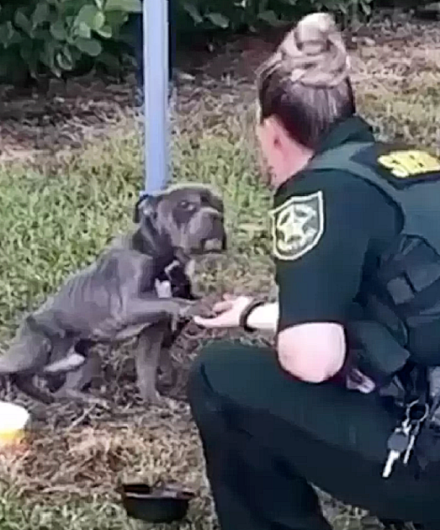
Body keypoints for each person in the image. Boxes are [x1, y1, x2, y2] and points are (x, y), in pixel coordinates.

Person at [188, 12, 440, 530]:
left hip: (431, 458)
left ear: (273, 131)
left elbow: (313, 362)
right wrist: (254, 313)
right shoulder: (412, 163)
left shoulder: (316, 192)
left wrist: (288, 331)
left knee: (218, 377)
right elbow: (397, 313)